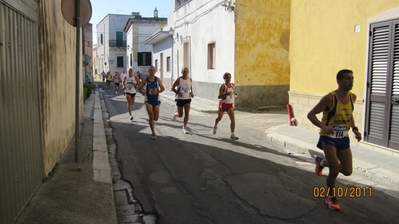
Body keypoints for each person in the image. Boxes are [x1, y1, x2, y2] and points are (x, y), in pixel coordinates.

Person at [307, 69, 362, 211]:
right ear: (339, 81)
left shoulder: (352, 97)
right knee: (335, 169)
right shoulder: (329, 98)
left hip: (343, 138)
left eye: (352, 78)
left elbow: (349, 114)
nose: (351, 81)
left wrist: (354, 128)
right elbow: (311, 115)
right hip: (328, 138)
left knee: (347, 171)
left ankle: (321, 162)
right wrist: (323, 126)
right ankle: (331, 197)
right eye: (348, 78)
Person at [138, 66, 165, 140]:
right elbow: (139, 88)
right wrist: (143, 92)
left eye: (153, 70)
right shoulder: (145, 80)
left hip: (156, 100)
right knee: (151, 116)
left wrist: (158, 91)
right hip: (148, 100)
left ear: (155, 71)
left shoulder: (157, 80)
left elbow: (163, 88)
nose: (152, 71)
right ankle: (153, 133)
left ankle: (151, 121)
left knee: (156, 118)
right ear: (148, 71)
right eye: (151, 70)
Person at [212, 72, 239, 140]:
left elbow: (234, 93)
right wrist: (226, 94)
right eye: (227, 78)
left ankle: (232, 134)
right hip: (223, 104)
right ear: (224, 78)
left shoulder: (232, 85)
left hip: (230, 105)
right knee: (219, 118)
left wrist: (235, 95)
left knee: (233, 120)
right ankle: (215, 126)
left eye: (230, 78)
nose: (229, 79)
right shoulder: (223, 86)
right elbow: (219, 96)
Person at [171, 67, 194, 134]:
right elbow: (172, 87)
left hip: (187, 98)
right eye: (184, 71)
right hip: (180, 99)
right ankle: (176, 114)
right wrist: (178, 93)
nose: (185, 73)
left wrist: (191, 93)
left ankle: (184, 127)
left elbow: (190, 87)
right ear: (182, 72)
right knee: (180, 115)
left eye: (187, 71)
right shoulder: (179, 80)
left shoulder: (190, 80)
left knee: (187, 113)